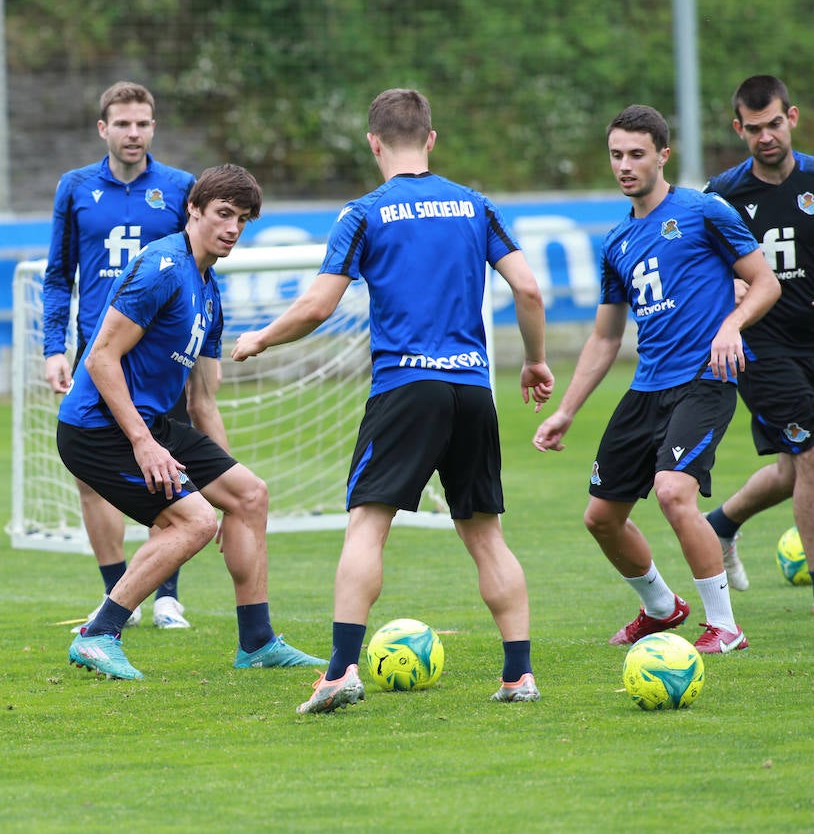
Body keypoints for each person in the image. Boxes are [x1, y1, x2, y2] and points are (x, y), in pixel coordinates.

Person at [232, 88, 554, 713]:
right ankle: (520, 675)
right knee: (486, 535)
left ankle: (340, 671)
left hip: (406, 387)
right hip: (471, 388)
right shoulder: (475, 205)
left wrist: (262, 338)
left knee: (367, 526)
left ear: (374, 142)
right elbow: (530, 289)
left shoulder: (365, 212)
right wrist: (536, 360)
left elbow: (320, 305)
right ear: (431, 139)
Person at [59, 163, 325, 680]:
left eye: (243, 220)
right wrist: (142, 442)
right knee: (195, 522)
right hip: (97, 428)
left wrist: (224, 479)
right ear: (194, 210)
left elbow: (202, 400)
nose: (232, 228)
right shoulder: (160, 266)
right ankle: (98, 634)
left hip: (151, 422)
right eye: (224, 214)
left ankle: (257, 642)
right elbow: (100, 359)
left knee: (249, 496)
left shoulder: (209, 292)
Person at [533, 104, 781, 656]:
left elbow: (765, 283)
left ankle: (726, 627)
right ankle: (662, 608)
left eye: (637, 154)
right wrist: (566, 410)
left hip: (705, 379)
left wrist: (731, 326)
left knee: (673, 491)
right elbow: (603, 339)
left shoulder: (703, 211)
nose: (625, 165)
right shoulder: (616, 243)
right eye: (617, 155)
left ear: (663, 155)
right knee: (601, 518)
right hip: (647, 388)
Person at [44, 81, 197, 630]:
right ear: (103, 128)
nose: (134, 133)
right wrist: (53, 348)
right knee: (92, 477)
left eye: (144, 123)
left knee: (165, 470)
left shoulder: (181, 187)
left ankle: (167, 596)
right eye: (124, 124)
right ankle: (117, 595)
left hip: (160, 359)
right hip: (98, 353)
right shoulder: (75, 187)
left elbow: (198, 268)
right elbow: (59, 276)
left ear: (154, 127)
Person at [701, 76, 814, 612]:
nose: (766, 136)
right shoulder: (722, 194)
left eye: (774, 124)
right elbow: (695, 269)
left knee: (795, 468)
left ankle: (720, 525)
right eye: (754, 128)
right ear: (738, 129)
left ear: (791, 118)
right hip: (763, 349)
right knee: (813, 456)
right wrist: (731, 284)